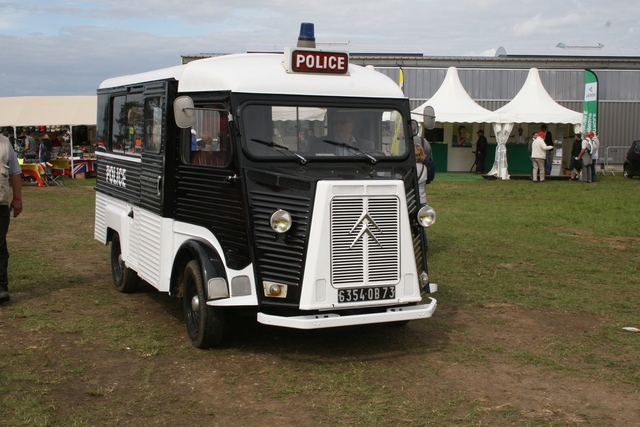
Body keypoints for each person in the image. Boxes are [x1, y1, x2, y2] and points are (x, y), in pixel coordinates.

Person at [0, 132, 23, 304]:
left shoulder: (4, 143)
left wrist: (17, 199)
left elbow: (15, 172)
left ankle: (1, 287)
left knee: (0, 246)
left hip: (0, 204)